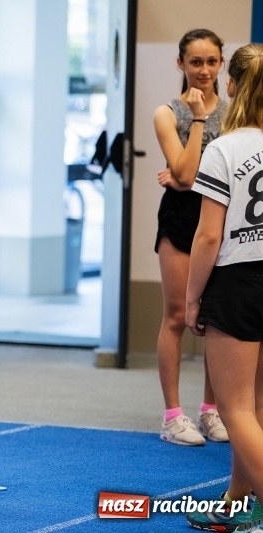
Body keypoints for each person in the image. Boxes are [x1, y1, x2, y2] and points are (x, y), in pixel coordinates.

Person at [184, 42, 263, 533]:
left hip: (239, 282)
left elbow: (209, 234)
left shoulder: (224, 148)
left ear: (231, 85)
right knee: (254, 409)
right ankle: (238, 499)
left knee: (234, 409)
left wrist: (194, 298)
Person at [152, 28, 228, 446]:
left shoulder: (235, 112)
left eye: (211, 62)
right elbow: (182, 174)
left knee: (216, 319)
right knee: (179, 316)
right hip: (180, 222)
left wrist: (185, 177)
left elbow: (196, 174)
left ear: (221, 63)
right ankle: (173, 416)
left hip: (221, 220)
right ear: (180, 64)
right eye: (195, 62)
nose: (203, 70)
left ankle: (212, 409)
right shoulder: (169, 113)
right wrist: (199, 119)